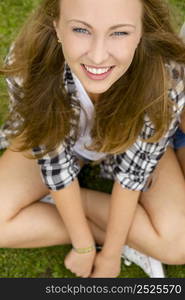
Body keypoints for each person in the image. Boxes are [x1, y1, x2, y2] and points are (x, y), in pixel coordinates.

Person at [0, 0, 185, 278]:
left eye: (120, 32)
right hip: (63, 145)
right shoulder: (28, 63)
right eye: (81, 30)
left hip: (126, 147)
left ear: (142, 32)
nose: (98, 57)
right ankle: (106, 225)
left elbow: (133, 176)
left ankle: (64, 207)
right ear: (57, 27)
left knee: (178, 245)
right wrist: (84, 246)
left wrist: (110, 253)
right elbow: (56, 166)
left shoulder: (167, 75)